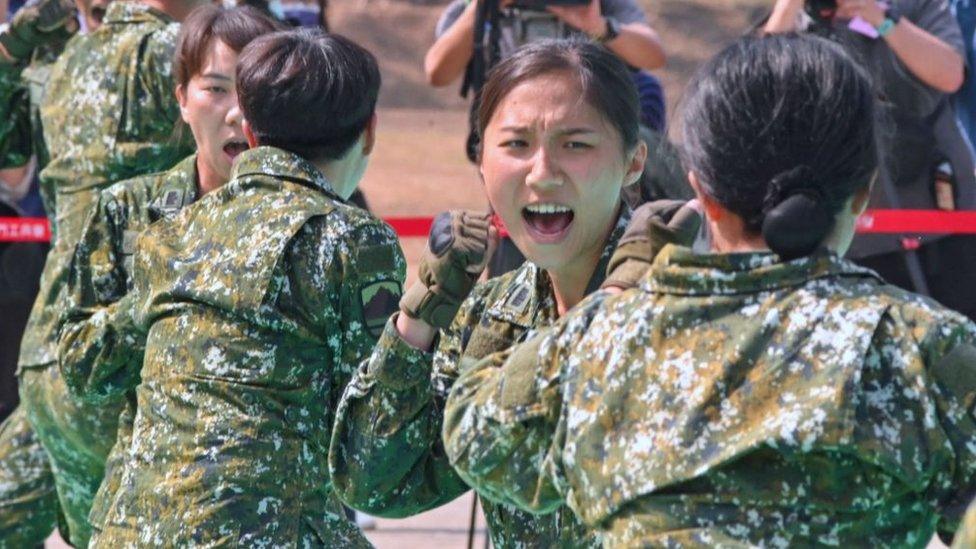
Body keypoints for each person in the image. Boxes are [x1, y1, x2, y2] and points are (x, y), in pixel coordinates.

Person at [443, 33, 976, 546]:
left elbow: (474, 434)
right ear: (862, 193)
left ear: (701, 190)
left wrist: (614, 296)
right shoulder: (925, 350)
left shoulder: (604, 343)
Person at [330, 39, 700, 548]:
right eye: (516, 145)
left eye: (576, 144)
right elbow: (377, 483)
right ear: (481, 161)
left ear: (634, 161)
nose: (542, 174)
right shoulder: (488, 315)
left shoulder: (685, 308)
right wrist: (419, 318)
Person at [94, 28, 402, 546]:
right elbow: (374, 448)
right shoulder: (353, 239)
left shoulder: (169, 230)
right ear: (369, 131)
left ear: (251, 133)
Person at [53, 5, 280, 542]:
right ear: (181, 98)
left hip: (275, 519)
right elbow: (82, 370)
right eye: (216, 89)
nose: (235, 114)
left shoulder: (317, 228)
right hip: (148, 519)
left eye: (253, 93)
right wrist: (152, 299)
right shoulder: (130, 212)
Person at [14, 0, 205, 541]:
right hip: (122, 354)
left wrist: (11, 49)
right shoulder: (171, 52)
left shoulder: (68, 61)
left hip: (51, 348)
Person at [765, 0, 976, 321]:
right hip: (852, 240)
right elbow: (757, 88)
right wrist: (788, 10)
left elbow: (950, 75)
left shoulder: (914, 6)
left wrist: (880, 18)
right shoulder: (795, 19)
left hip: (939, 223)